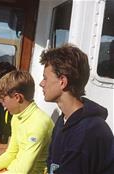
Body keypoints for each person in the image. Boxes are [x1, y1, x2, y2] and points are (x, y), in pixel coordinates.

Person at [39, 44, 114, 174]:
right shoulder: (64, 121)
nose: (41, 83)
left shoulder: (87, 133)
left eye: (45, 78)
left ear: (62, 81)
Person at [0, 70, 54, 174]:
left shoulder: (39, 123)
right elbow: (11, 154)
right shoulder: (17, 117)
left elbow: (23, 170)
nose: (3, 105)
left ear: (17, 97)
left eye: (4, 100)